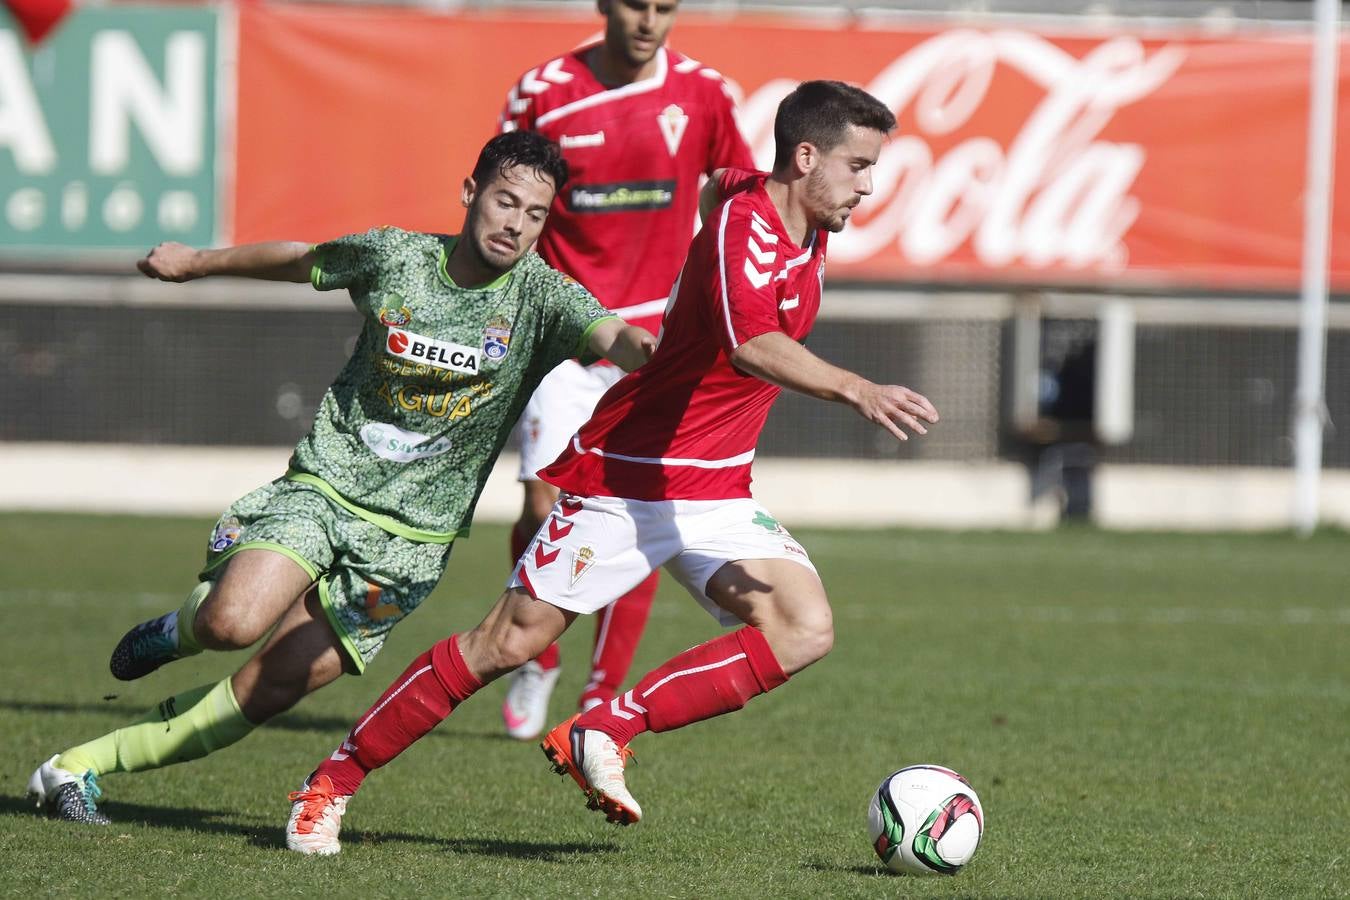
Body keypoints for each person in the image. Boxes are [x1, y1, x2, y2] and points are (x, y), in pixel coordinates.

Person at [284, 80, 937, 856]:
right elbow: (748, 343)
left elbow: (714, 179)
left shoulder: (791, 214)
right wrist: (857, 388)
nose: (869, 184)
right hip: (628, 480)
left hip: (715, 487)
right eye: (858, 165)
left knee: (803, 627)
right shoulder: (744, 231)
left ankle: (608, 726)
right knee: (506, 645)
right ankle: (329, 785)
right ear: (805, 157)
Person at [25, 130, 656, 825]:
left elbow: (618, 339)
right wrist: (197, 262)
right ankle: (181, 630)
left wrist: (663, 351)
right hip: (327, 487)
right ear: (471, 194)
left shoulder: (543, 299)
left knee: (267, 690)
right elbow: (301, 261)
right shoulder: (398, 256)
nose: (516, 224)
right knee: (232, 622)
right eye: (506, 202)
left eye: (535, 214)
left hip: (412, 547)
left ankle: (73, 769)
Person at [496, 0, 755, 740]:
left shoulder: (704, 92)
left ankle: (600, 694)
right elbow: (505, 197)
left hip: (660, 347)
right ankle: (535, 657)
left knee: (640, 515)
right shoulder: (544, 90)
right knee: (544, 510)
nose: (648, 20)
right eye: (635, 4)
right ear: (606, 5)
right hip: (572, 335)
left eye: (665, 7)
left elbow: (736, 190)